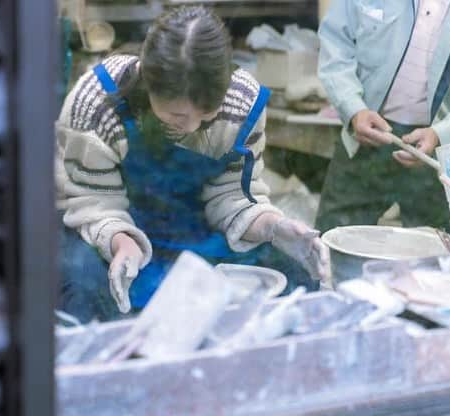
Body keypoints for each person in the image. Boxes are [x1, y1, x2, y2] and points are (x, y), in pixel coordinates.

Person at [56, 6, 330, 322]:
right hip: (123, 233)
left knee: (297, 275)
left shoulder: (242, 101)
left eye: (206, 114)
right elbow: (93, 201)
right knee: (78, 282)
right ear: (148, 82)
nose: (190, 127)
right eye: (176, 115)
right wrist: (120, 242)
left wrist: (274, 227)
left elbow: (233, 196)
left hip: (198, 233)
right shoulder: (97, 100)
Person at [316, 0, 450, 233]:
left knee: (436, 259)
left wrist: (442, 134)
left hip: (443, 152)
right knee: (333, 245)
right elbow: (336, 43)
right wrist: (353, 109)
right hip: (367, 136)